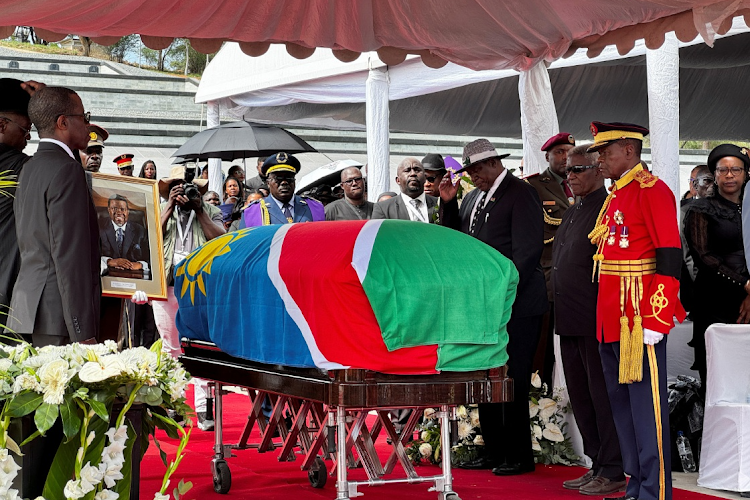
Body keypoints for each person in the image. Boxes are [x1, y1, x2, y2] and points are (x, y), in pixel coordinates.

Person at [587, 121, 684, 500]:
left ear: (629, 150)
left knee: (647, 409)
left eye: (605, 152)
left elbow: (669, 256)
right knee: (622, 408)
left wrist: (658, 317)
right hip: (611, 316)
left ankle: (655, 490)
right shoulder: (616, 194)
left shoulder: (652, 190)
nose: (599, 160)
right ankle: (635, 485)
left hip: (639, 316)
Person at [439, 138, 547, 475]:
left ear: (493, 164)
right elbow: (455, 242)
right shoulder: (472, 196)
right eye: (468, 172)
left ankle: (518, 456)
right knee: (485, 376)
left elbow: (527, 252)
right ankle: (494, 449)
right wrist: (449, 204)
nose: (472, 177)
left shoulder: (520, 193)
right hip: (483, 304)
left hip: (516, 303)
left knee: (511, 377)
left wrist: (502, 292)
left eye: (475, 171)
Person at [552, 145, 626, 496]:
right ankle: (596, 462)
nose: (570, 177)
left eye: (578, 169)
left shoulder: (608, 209)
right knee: (581, 396)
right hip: (568, 319)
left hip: (597, 319)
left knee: (602, 397)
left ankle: (612, 468)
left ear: (598, 169)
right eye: (567, 171)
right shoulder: (572, 211)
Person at [8, 86, 101, 346]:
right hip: (59, 317)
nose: (88, 126)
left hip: (27, 310)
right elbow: (70, 255)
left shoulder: (29, 168)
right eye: (83, 117)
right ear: (63, 122)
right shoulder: (67, 170)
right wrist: (82, 331)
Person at [154, 165, 225, 430]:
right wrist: (169, 207)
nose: (182, 192)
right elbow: (148, 237)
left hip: (199, 286)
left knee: (199, 345)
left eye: (186, 187)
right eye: (176, 188)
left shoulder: (209, 211)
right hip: (168, 285)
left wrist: (199, 209)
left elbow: (222, 239)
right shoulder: (160, 210)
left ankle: (205, 407)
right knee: (171, 345)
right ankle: (174, 403)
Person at [685, 144, 750, 387]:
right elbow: (704, 256)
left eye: (736, 169)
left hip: (749, 295)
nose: (730, 175)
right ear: (715, 174)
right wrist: (744, 284)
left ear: (746, 173)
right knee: (716, 369)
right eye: (723, 170)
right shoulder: (701, 209)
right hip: (715, 299)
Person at [526, 132, 576, 387]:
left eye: (569, 151)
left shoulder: (587, 184)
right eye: (558, 152)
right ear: (547, 156)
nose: (565, 157)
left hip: (579, 283)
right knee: (543, 351)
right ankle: (540, 399)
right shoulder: (533, 186)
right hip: (547, 281)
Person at [0, 78, 39, 315]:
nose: (29, 138)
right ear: (2, 125)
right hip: (9, 299)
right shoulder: (24, 168)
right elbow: (65, 176)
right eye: (26, 130)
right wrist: (51, 112)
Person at [240, 153, 325, 227]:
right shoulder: (252, 212)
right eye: (278, 178)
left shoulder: (314, 207)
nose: (284, 182)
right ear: (268, 183)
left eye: (289, 178)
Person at [372, 157, 438, 223]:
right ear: (398, 180)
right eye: (407, 170)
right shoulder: (383, 208)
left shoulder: (439, 204)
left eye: (417, 170)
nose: (413, 174)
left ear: (425, 177)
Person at [100, 194, 150, 278]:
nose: (119, 212)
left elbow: (150, 258)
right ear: (109, 210)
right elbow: (91, 255)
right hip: (107, 276)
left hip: (134, 276)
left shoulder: (140, 230)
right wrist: (109, 261)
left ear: (128, 211)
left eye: (122, 209)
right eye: (114, 209)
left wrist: (140, 264)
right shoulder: (99, 228)